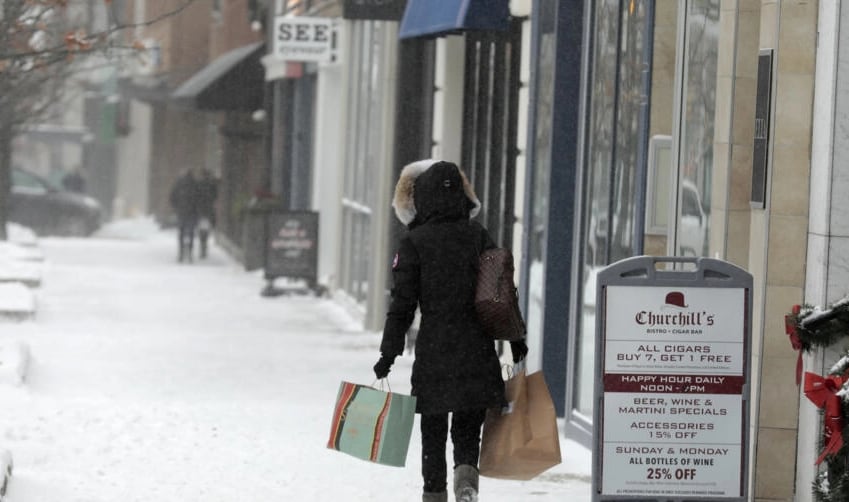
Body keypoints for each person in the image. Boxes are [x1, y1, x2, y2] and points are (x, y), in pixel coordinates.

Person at [373, 160, 528, 502]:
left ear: (423, 198)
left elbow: (402, 305)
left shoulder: (414, 243)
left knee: (433, 427)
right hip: (477, 347)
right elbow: (501, 291)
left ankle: (434, 492)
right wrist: (517, 340)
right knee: (468, 423)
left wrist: (388, 353)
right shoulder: (479, 236)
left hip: (435, 350)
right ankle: (466, 476)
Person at [169, 168, 200, 263]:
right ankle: (189, 253)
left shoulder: (179, 184)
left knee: (181, 233)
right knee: (190, 233)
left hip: (181, 212)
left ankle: (181, 253)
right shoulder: (195, 184)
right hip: (192, 213)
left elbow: (172, 197)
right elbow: (199, 198)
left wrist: (175, 207)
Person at [195, 169, 218, 259]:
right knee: (206, 229)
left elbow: (195, 196)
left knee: (201, 230)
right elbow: (215, 196)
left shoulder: (198, 184)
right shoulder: (212, 185)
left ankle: (202, 246)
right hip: (208, 210)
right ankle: (204, 246)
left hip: (200, 210)